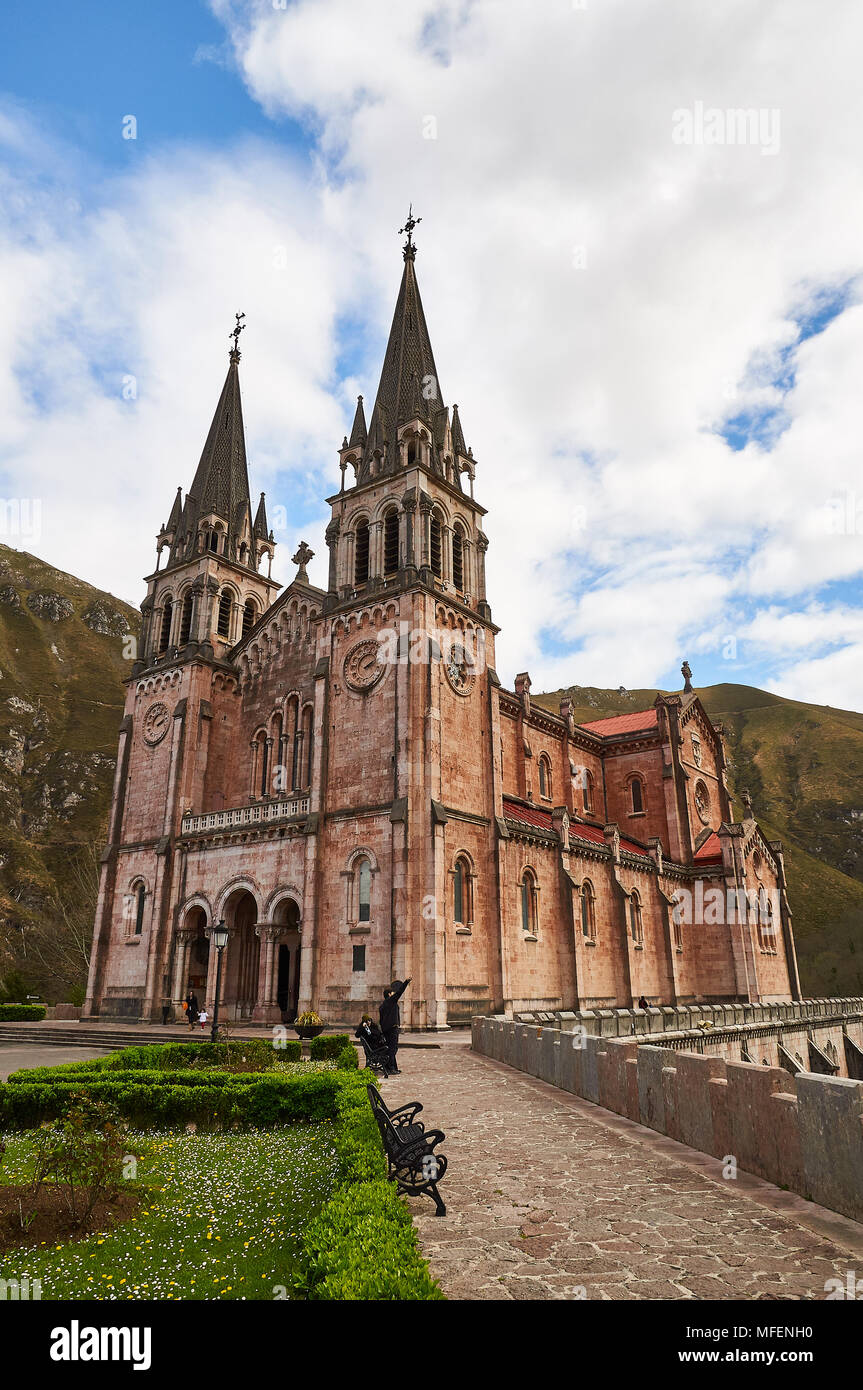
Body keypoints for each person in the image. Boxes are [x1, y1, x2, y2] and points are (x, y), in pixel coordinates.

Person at [379, 978, 411, 1075]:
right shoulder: (391, 1001)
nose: (394, 994)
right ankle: (391, 1068)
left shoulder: (382, 1005)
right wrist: (406, 982)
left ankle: (393, 1067)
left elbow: (381, 1020)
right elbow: (399, 992)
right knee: (393, 1049)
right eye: (392, 993)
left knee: (391, 1048)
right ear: (389, 995)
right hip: (392, 1029)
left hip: (386, 1029)